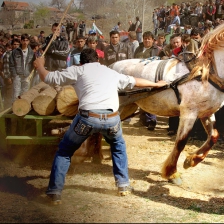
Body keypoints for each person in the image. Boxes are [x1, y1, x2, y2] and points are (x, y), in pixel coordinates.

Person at [33, 48, 167, 204]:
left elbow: (49, 78)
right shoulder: (109, 72)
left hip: (88, 118)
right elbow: (135, 81)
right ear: (98, 60)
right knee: (118, 146)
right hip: (112, 119)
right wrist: (156, 84)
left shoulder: (77, 70)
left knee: (65, 151)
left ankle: (55, 192)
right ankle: (123, 185)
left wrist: (40, 66)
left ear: (81, 61)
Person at [134, 31, 161, 131]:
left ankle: (151, 121)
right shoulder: (138, 48)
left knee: (150, 98)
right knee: (140, 97)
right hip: (138, 76)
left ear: (153, 40)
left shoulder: (156, 50)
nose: (147, 40)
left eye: (149, 38)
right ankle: (142, 120)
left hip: (150, 77)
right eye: (145, 38)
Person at [9, 34, 36, 102]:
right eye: (23, 40)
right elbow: (11, 64)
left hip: (27, 75)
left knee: (25, 93)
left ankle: (22, 109)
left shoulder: (31, 52)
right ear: (21, 41)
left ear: (29, 41)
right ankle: (14, 108)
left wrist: (31, 74)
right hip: (18, 75)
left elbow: (33, 64)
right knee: (16, 93)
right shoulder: (15, 52)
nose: (25, 42)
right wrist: (14, 74)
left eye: (27, 40)